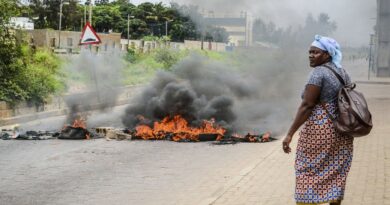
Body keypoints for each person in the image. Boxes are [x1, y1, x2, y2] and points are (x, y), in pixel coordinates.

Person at [282, 35, 354, 205]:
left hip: (320, 131)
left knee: (307, 169)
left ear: (327, 54)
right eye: (310, 52)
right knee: (336, 171)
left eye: (316, 52)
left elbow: (307, 105)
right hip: (343, 131)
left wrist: (290, 134)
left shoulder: (318, 73)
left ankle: (306, 201)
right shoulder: (343, 72)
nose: (311, 55)